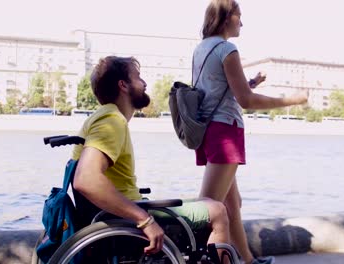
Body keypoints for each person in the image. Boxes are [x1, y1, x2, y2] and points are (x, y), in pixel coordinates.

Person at [70, 56, 231, 259]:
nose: (145, 83)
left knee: (206, 201)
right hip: (122, 220)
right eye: (138, 77)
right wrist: (145, 220)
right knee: (217, 211)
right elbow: (86, 179)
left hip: (116, 214)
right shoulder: (111, 121)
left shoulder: (102, 117)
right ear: (123, 85)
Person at [193, 1, 309, 264]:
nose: (242, 23)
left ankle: (247, 261)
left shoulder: (202, 49)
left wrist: (252, 82)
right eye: (239, 16)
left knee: (233, 205)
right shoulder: (227, 49)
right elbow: (246, 100)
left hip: (209, 131)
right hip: (225, 133)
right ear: (226, 19)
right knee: (207, 209)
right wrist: (291, 100)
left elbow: (221, 89)